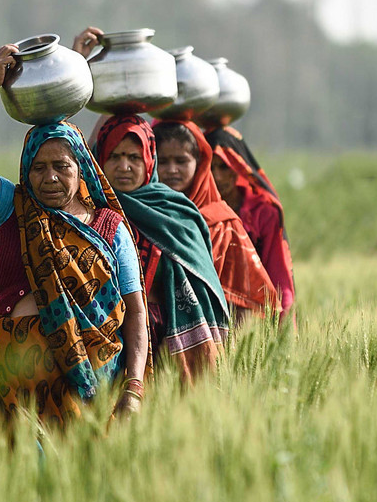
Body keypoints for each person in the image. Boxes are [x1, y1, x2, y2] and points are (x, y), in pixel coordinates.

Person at [0, 44, 149, 439]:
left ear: (83, 170)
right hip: (14, 379)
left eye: (61, 166)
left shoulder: (110, 227)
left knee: (74, 487)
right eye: (38, 167)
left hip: (89, 386)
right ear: (27, 170)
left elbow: (135, 311)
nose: (50, 177)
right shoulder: (15, 208)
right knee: (7, 484)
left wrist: (134, 388)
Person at [92, 114, 231, 383]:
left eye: (134, 157)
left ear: (148, 160)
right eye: (114, 156)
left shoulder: (177, 213)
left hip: (166, 339)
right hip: (103, 337)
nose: (124, 166)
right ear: (100, 160)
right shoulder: (92, 209)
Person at [152, 119, 279, 320]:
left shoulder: (224, 223)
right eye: (163, 161)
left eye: (181, 161)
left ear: (200, 162)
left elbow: (244, 302)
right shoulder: (142, 215)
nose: (172, 169)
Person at [206, 126, 296, 316]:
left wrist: (285, 327)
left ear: (239, 167)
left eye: (224, 166)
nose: (217, 176)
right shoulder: (197, 209)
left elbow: (279, 274)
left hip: (252, 315)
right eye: (210, 168)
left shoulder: (263, 213)